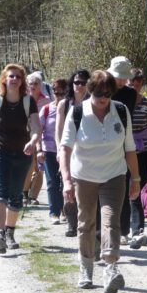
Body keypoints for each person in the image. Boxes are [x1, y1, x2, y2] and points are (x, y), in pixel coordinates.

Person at [60, 70, 140, 293]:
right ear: (89, 91)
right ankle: (85, 268)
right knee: (85, 224)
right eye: (98, 93)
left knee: (111, 221)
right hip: (83, 176)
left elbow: (130, 148)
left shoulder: (121, 112)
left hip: (114, 175)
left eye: (107, 93)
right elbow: (64, 149)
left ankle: (111, 269)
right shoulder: (77, 113)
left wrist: (136, 179)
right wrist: (66, 180)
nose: (103, 98)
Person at [0, 64, 41, 254]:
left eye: (17, 77)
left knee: (15, 195)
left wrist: (33, 142)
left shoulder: (28, 101)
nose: (14, 79)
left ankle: (9, 233)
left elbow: (36, 127)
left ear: (22, 81)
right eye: (10, 76)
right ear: (4, 80)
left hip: (22, 153)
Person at [107, 56, 138, 247]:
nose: (120, 81)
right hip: (98, 146)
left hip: (120, 144)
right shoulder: (99, 89)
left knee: (124, 187)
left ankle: (124, 230)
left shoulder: (130, 94)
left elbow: (126, 121)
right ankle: (102, 230)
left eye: (123, 78)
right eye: (118, 77)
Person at [55, 69, 91, 237]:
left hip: (86, 152)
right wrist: (59, 150)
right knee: (67, 186)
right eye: (77, 82)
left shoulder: (93, 102)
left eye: (83, 82)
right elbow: (59, 131)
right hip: (68, 151)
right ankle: (71, 222)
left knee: (85, 187)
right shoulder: (64, 104)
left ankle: (85, 222)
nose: (80, 86)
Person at [125, 68, 147, 249]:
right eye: (131, 85)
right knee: (126, 188)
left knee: (137, 186)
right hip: (123, 152)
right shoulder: (120, 102)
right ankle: (133, 229)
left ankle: (135, 230)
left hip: (143, 152)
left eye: (138, 85)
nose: (135, 88)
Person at [38, 78, 67, 225]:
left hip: (67, 151)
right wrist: (39, 150)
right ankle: (54, 212)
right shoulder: (46, 109)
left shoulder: (72, 108)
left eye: (62, 92)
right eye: (56, 92)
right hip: (49, 150)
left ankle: (64, 211)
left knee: (66, 182)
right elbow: (38, 130)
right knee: (52, 182)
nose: (59, 95)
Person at [22, 72, 51, 205]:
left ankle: (33, 196)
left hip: (42, 136)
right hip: (25, 136)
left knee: (39, 167)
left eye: (36, 84)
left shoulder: (46, 101)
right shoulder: (23, 98)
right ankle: (24, 192)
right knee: (27, 165)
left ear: (41, 85)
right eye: (31, 83)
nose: (33, 86)